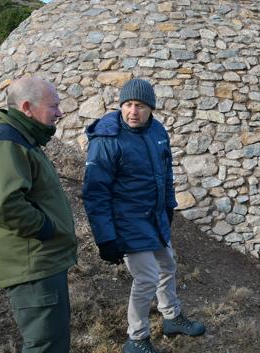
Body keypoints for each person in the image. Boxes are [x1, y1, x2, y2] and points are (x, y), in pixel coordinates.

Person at [82, 78, 205, 353]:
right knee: (147, 277)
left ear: (151, 108)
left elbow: (166, 173)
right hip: (127, 221)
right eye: (127, 104)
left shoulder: (157, 131)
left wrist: (169, 206)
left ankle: (172, 317)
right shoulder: (107, 140)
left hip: (154, 218)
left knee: (167, 265)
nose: (132, 111)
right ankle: (136, 338)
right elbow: (95, 192)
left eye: (139, 105)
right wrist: (106, 238)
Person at [0, 77, 77, 353]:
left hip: (40, 262)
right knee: (46, 346)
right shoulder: (7, 141)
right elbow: (5, 203)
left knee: (52, 342)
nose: (60, 112)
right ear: (27, 107)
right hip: (33, 263)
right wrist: (45, 227)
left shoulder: (23, 138)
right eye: (53, 105)